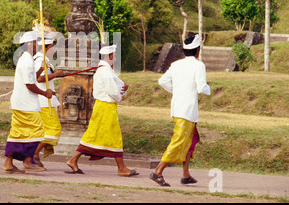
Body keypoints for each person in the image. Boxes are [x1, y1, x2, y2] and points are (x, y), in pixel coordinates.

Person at [66, 45, 139, 177]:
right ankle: (121, 168)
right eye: (114, 56)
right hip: (105, 107)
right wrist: (120, 95)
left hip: (105, 106)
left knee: (95, 134)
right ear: (109, 56)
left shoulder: (105, 70)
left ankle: (73, 159)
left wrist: (121, 90)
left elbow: (116, 87)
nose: (115, 59)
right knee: (112, 135)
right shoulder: (104, 71)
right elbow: (113, 92)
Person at [150, 34, 211, 187]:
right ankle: (157, 172)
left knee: (190, 141)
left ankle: (185, 174)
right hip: (187, 110)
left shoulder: (176, 65)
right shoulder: (199, 66)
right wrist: (209, 89)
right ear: (197, 50)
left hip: (178, 108)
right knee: (178, 141)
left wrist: (177, 90)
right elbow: (202, 87)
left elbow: (162, 81)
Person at [3, 31, 53, 173]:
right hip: (26, 103)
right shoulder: (27, 60)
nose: (38, 46)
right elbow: (29, 85)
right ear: (30, 44)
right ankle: (28, 160)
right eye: (37, 42)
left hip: (21, 103)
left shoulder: (26, 59)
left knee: (17, 132)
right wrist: (45, 93)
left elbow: (30, 79)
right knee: (38, 130)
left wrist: (39, 71)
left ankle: (9, 163)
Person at [33, 35, 64, 167]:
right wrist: (56, 74)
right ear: (49, 47)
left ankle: (34, 155)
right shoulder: (40, 59)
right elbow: (39, 78)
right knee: (53, 129)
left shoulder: (44, 59)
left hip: (48, 100)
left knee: (45, 131)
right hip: (44, 102)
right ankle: (34, 154)